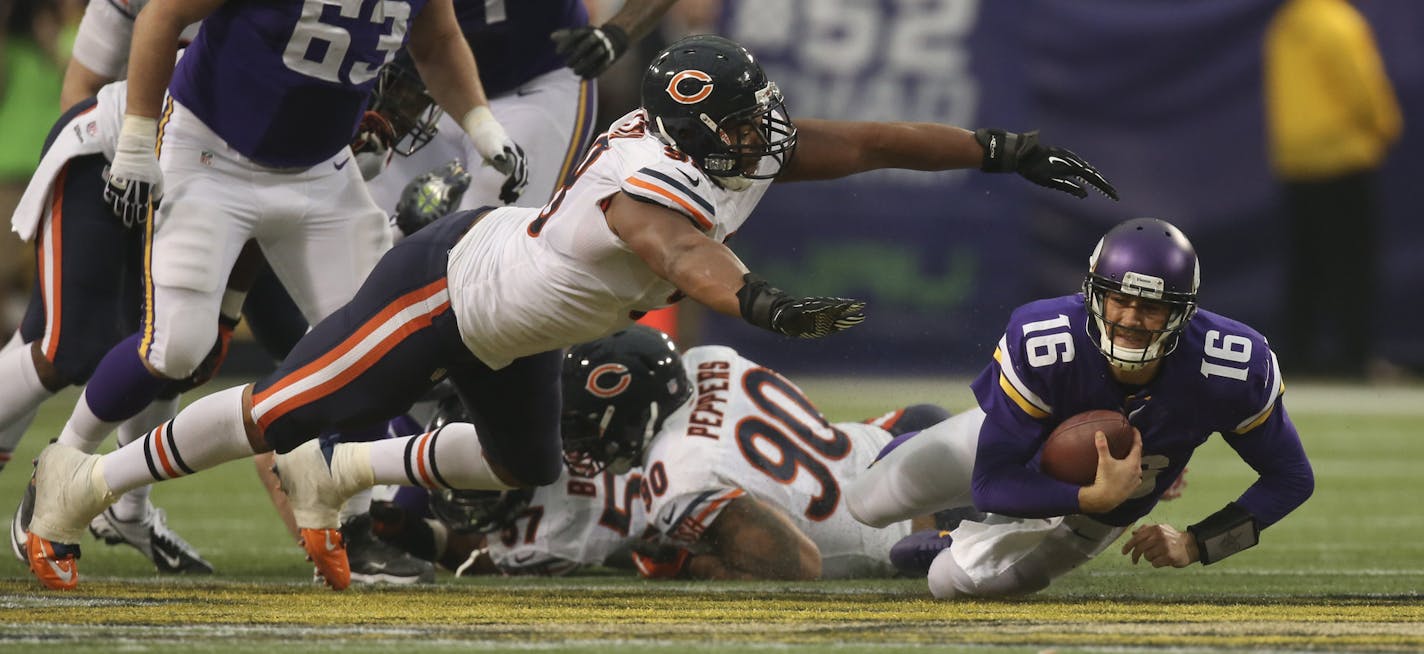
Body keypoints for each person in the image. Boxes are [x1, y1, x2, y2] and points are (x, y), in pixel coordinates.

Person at [24, 34, 1117, 591]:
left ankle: (345, 472)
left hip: (517, 324)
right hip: (447, 294)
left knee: (517, 461)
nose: (762, 136)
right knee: (277, 408)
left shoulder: (728, 146)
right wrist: (764, 301)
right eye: (740, 125)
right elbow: (674, 251)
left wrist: (1002, 152)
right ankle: (79, 485)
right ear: (694, 132)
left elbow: (869, 140)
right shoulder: (642, 175)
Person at [845, 217, 1316, 599]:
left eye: (1152, 307)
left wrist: (1197, 542)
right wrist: (1090, 494)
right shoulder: (1046, 337)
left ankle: (950, 541)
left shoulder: (1230, 364)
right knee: (863, 503)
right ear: (1094, 295)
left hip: (1094, 519)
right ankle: (922, 447)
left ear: (1183, 313)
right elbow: (989, 483)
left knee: (947, 582)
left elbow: (1291, 477)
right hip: (1025, 458)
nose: (1132, 319)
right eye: (1120, 300)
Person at [559, 325, 952, 580]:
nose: (583, 439)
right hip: (909, 433)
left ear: (637, 411)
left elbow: (796, 566)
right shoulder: (707, 360)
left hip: (919, 529)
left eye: (590, 424)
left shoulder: (678, 478)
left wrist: (689, 564)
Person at [1264, 0, 1402, 377]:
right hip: (1343, 158)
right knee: (1352, 264)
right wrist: (1385, 125)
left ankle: (1298, 355)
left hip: (1296, 162)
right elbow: (1362, 86)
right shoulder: (1338, 22)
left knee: (1306, 268)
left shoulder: (1286, 24)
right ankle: (1355, 357)